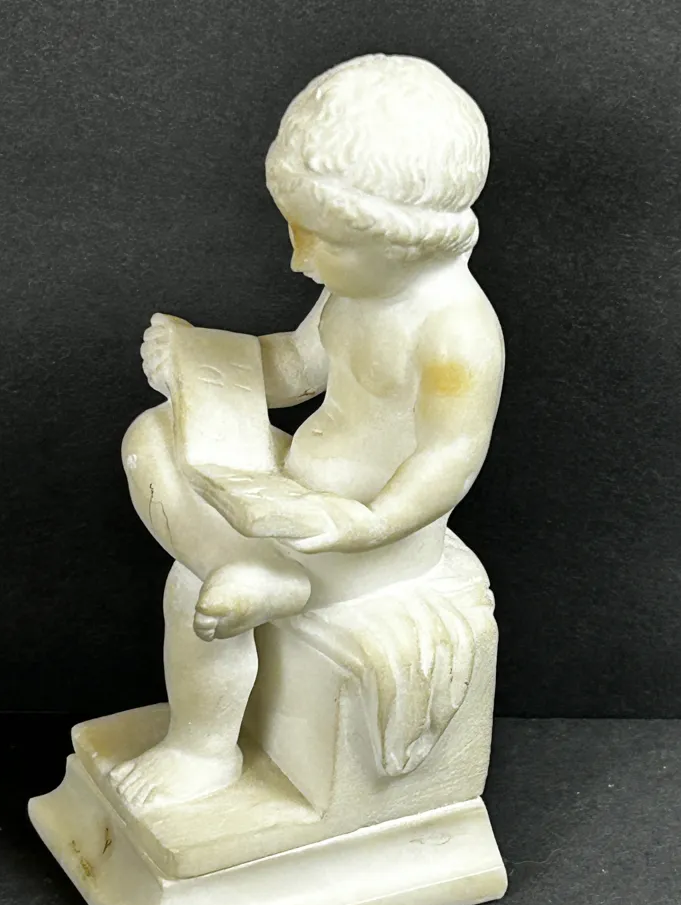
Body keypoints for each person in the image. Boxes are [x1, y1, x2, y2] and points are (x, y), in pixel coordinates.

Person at [111, 54, 505, 810]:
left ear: (406, 241)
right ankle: (249, 565)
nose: (299, 258)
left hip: (367, 546)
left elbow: (451, 456)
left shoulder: (456, 334)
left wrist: (365, 524)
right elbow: (292, 369)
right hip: (296, 496)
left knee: (189, 588)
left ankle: (203, 750)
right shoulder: (353, 291)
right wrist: (196, 359)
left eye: (322, 239)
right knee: (151, 436)